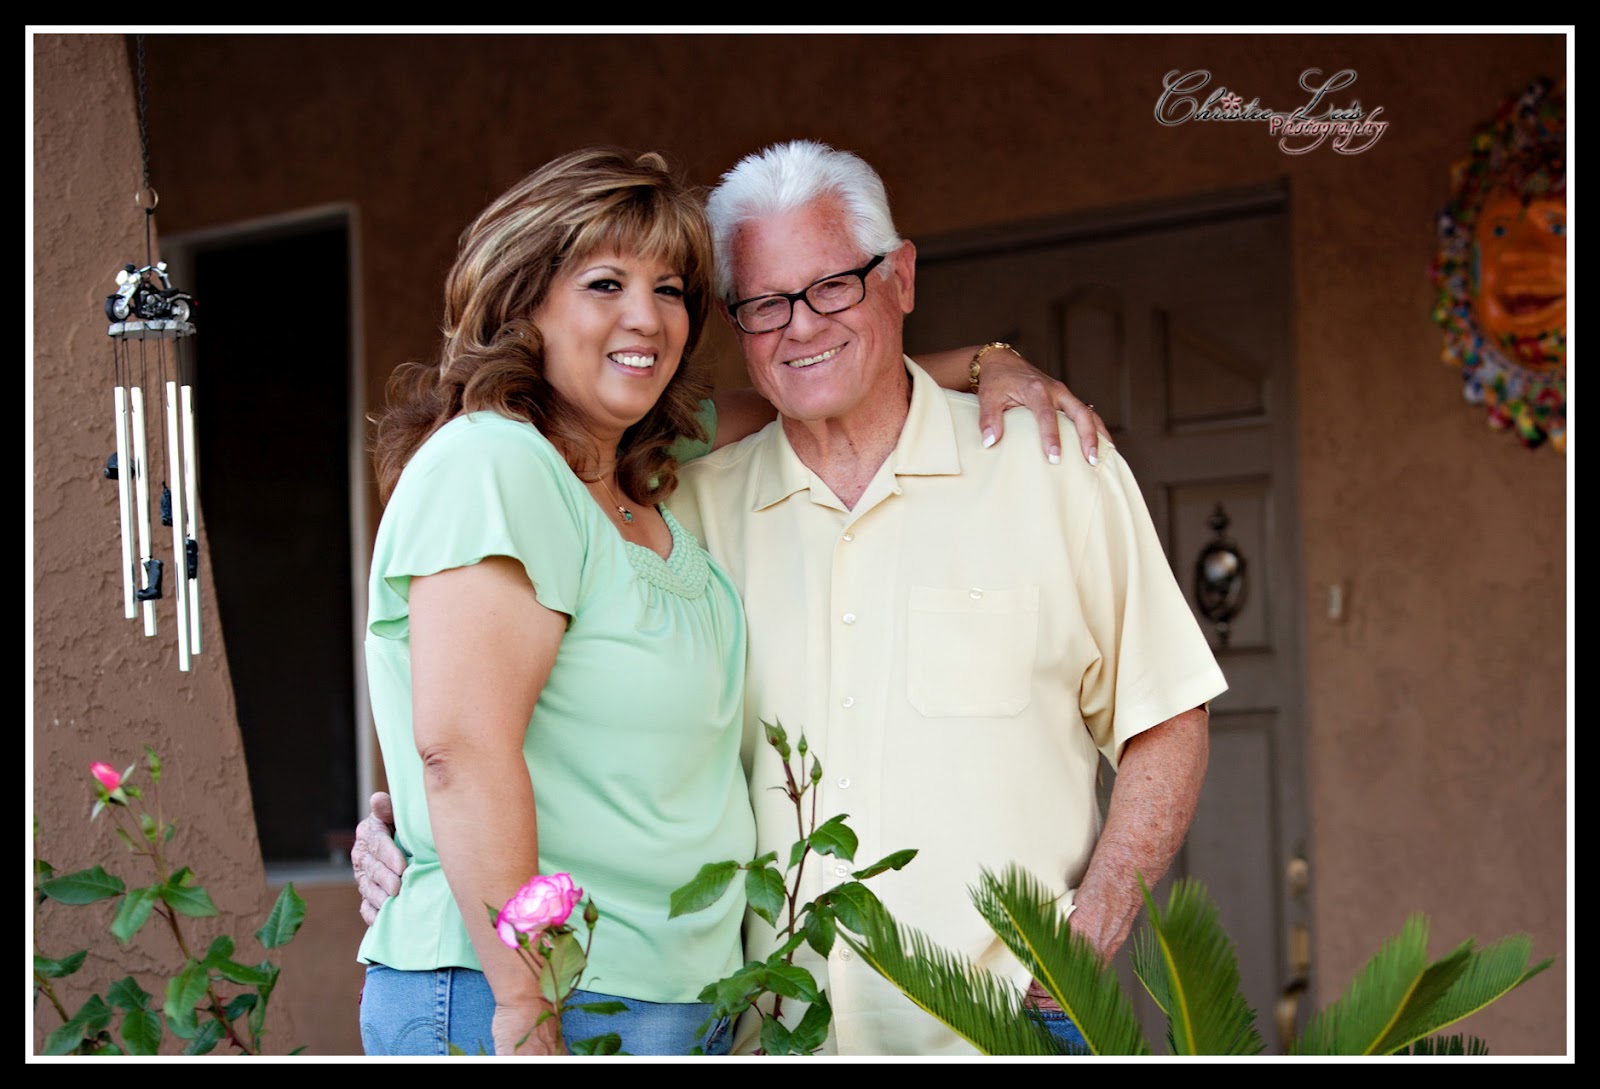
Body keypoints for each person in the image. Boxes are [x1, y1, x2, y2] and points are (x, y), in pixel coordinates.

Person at [353, 145, 1107, 1058]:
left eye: (672, 290)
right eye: (604, 283)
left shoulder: (642, 474)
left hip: (684, 1003)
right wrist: (525, 1008)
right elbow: (461, 754)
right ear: (524, 303)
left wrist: (991, 361)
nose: (647, 318)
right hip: (544, 1001)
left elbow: (819, 385)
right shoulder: (496, 462)